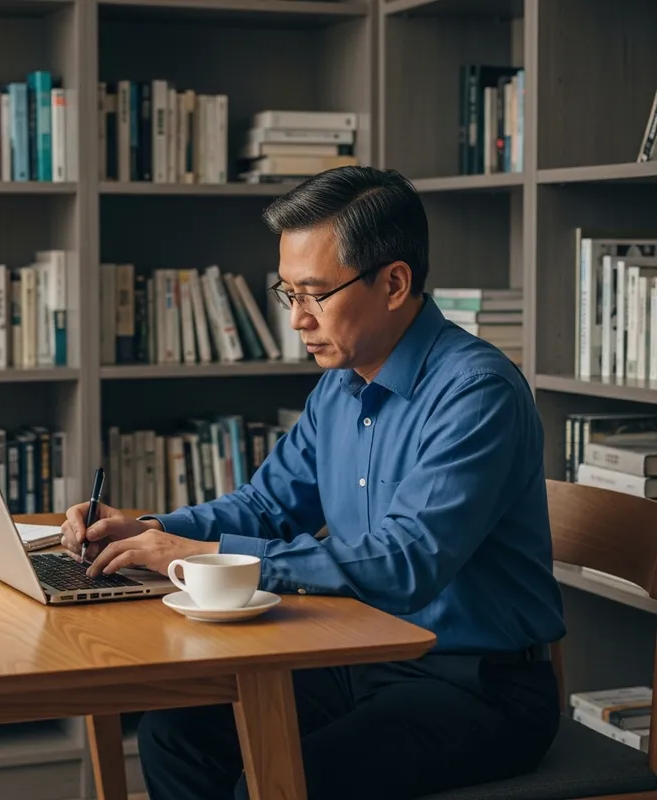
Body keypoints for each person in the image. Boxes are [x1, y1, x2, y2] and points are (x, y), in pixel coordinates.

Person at [61, 166, 566, 800]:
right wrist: (151, 532)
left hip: (474, 684)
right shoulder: (339, 384)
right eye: (288, 293)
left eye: (314, 294)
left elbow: (405, 562)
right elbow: (268, 505)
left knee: (284, 785)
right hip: (357, 654)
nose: (297, 319)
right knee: (175, 733)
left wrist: (205, 558)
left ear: (394, 283)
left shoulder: (476, 392)